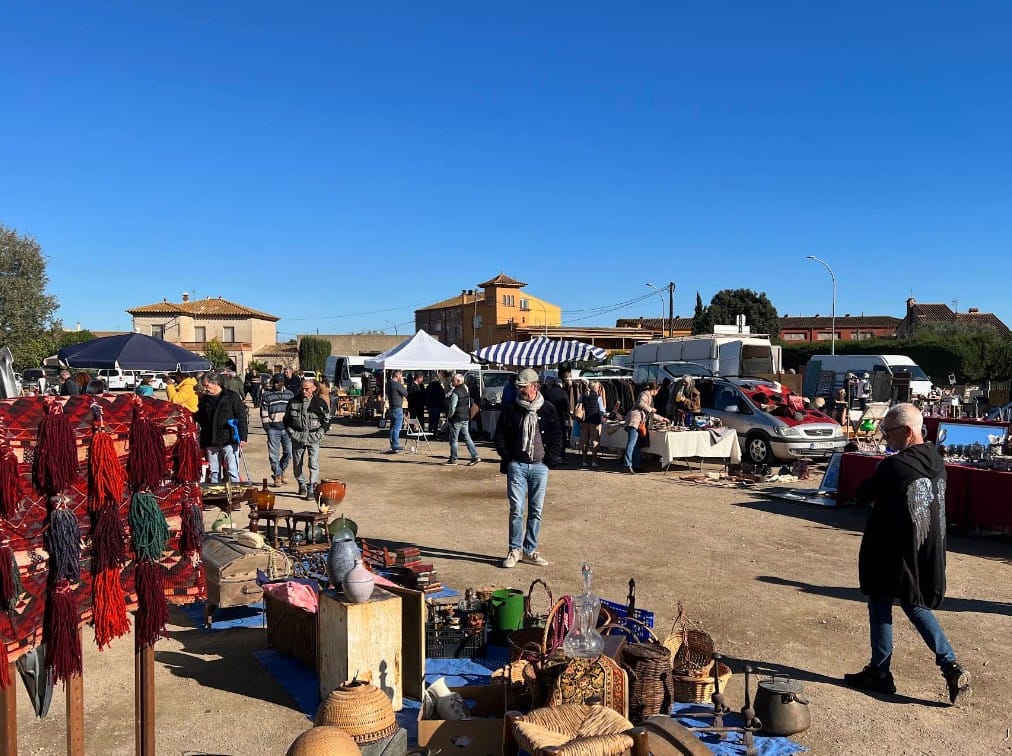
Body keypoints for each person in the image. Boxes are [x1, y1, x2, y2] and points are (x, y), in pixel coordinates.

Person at [844, 403, 971, 705]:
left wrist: (880, 496)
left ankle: (880, 672)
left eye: (888, 432)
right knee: (915, 606)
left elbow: (863, 494)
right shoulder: (936, 461)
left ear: (907, 431)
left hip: (891, 550)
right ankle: (950, 664)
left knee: (881, 603)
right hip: (925, 550)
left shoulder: (893, 466)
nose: (885, 438)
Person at [493, 368, 562, 568]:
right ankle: (514, 549)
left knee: (536, 510)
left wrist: (549, 461)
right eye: (519, 387)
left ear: (535, 386)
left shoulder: (548, 408)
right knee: (516, 509)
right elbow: (499, 436)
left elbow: (558, 435)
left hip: (540, 466)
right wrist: (509, 458)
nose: (520, 390)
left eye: (523, 387)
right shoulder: (510, 409)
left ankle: (529, 550)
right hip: (518, 466)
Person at [195, 370, 248, 483]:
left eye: (206, 385)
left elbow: (241, 417)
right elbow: (200, 417)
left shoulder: (232, 396)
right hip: (211, 439)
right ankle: (216, 495)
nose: (204, 388)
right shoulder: (204, 399)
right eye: (203, 386)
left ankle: (236, 495)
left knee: (232, 470)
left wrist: (243, 437)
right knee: (214, 471)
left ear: (215, 383)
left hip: (229, 438)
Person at [284, 378, 330, 499]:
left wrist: (320, 433)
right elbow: (286, 420)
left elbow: (327, 420)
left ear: (313, 389)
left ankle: (312, 488)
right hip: (297, 437)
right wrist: (291, 432)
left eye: (307, 389)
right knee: (297, 464)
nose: (304, 391)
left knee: (313, 463)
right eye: (302, 389)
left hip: (314, 437)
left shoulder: (320, 403)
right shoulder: (293, 402)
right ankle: (301, 484)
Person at [623, 382, 666, 474]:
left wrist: (662, 419)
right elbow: (640, 404)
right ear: (655, 390)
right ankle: (627, 464)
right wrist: (651, 409)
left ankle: (635, 465)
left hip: (637, 421)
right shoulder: (645, 394)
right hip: (634, 421)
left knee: (637, 445)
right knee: (632, 443)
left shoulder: (647, 395)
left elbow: (649, 413)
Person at [260, 374, 294, 487]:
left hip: (287, 428)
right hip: (273, 428)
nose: (275, 384)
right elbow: (264, 411)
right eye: (274, 382)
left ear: (283, 383)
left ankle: (282, 469)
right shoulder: (267, 395)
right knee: (273, 454)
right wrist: (266, 426)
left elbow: (293, 410)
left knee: (289, 453)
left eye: (277, 382)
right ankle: (277, 475)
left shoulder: (289, 394)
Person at [445, 373, 480, 466]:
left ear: (458, 381)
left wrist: (449, 416)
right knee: (467, 437)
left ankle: (453, 459)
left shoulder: (456, 392)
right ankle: (475, 456)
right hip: (465, 417)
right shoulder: (466, 389)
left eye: (453, 380)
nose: (452, 382)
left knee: (453, 439)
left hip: (456, 418)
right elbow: (468, 404)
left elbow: (452, 407)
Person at [541, 376, 572, 465]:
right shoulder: (563, 393)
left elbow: (543, 405)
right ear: (560, 384)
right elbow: (567, 406)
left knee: (549, 437)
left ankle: (549, 456)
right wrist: (567, 417)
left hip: (548, 418)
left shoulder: (547, 392)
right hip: (560, 417)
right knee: (560, 437)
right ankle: (561, 455)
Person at [579, 380, 607, 467]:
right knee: (594, 441)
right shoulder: (598, 397)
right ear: (595, 387)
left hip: (584, 421)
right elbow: (602, 411)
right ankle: (594, 461)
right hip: (595, 421)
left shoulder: (582, 395)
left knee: (584, 441)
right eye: (598, 387)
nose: (599, 388)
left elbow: (579, 406)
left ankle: (584, 460)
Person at [386, 370, 408, 453]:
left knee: (392, 427)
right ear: (398, 376)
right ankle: (395, 445)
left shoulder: (388, 383)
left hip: (391, 407)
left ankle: (392, 444)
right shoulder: (397, 384)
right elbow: (405, 393)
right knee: (397, 427)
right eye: (401, 376)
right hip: (397, 408)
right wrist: (402, 384)